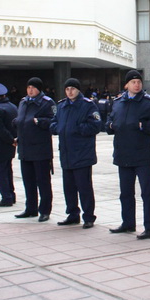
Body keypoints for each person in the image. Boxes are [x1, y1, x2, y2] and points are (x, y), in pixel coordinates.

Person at [106, 70, 150, 238]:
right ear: (126, 85)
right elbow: (109, 121)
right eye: (133, 82)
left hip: (142, 155)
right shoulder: (118, 102)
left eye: (139, 82)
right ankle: (128, 223)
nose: (137, 85)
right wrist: (110, 126)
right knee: (125, 193)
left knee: (147, 193)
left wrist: (142, 126)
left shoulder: (149, 103)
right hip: (122, 154)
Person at [50, 78, 101, 228]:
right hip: (66, 153)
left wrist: (76, 128)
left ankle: (89, 216)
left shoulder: (87, 105)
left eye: (72, 89)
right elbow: (53, 122)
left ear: (78, 90)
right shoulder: (61, 106)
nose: (70, 92)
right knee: (69, 187)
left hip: (82, 153)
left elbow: (96, 125)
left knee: (84, 187)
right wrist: (58, 128)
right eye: (67, 89)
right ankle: (72, 214)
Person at [14, 77, 56, 221]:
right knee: (28, 181)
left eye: (33, 87)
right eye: (28, 87)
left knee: (43, 181)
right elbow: (21, 120)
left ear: (39, 89)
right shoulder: (23, 102)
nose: (30, 90)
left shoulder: (47, 103)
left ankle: (45, 210)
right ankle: (30, 208)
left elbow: (54, 121)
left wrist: (39, 121)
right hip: (25, 149)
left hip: (40, 149)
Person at [0, 83, 18, 207]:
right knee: (8, 171)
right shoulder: (12, 107)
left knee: (0, 172)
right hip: (10, 145)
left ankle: (6, 197)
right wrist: (14, 139)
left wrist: (10, 139)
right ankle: (11, 195)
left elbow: (0, 129)